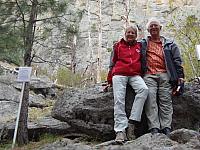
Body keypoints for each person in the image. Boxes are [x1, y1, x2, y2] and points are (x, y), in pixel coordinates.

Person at [140, 18, 185, 136]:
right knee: (150, 100)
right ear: (148, 29)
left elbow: (177, 61)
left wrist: (180, 77)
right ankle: (154, 127)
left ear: (160, 28)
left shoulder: (170, 44)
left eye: (156, 25)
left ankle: (166, 127)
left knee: (166, 101)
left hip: (165, 75)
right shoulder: (143, 43)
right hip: (149, 75)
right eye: (151, 26)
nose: (154, 28)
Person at [107, 26, 148, 143]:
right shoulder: (118, 46)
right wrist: (109, 79)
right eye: (128, 32)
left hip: (135, 75)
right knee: (119, 100)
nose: (130, 34)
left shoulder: (139, 46)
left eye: (133, 33)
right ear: (125, 34)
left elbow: (143, 61)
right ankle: (120, 131)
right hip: (119, 74)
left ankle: (132, 123)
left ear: (136, 35)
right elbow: (112, 63)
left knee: (144, 90)